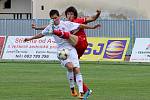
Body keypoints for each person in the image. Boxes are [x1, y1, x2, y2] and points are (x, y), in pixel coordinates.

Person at [24, 9, 99, 99]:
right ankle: (72, 88)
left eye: (55, 18)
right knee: (70, 67)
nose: (54, 20)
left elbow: (80, 25)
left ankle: (81, 92)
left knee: (77, 70)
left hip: (71, 48)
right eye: (52, 18)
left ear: (59, 17)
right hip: (61, 51)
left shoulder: (66, 23)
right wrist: (30, 38)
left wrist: (92, 28)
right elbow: (41, 34)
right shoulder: (50, 27)